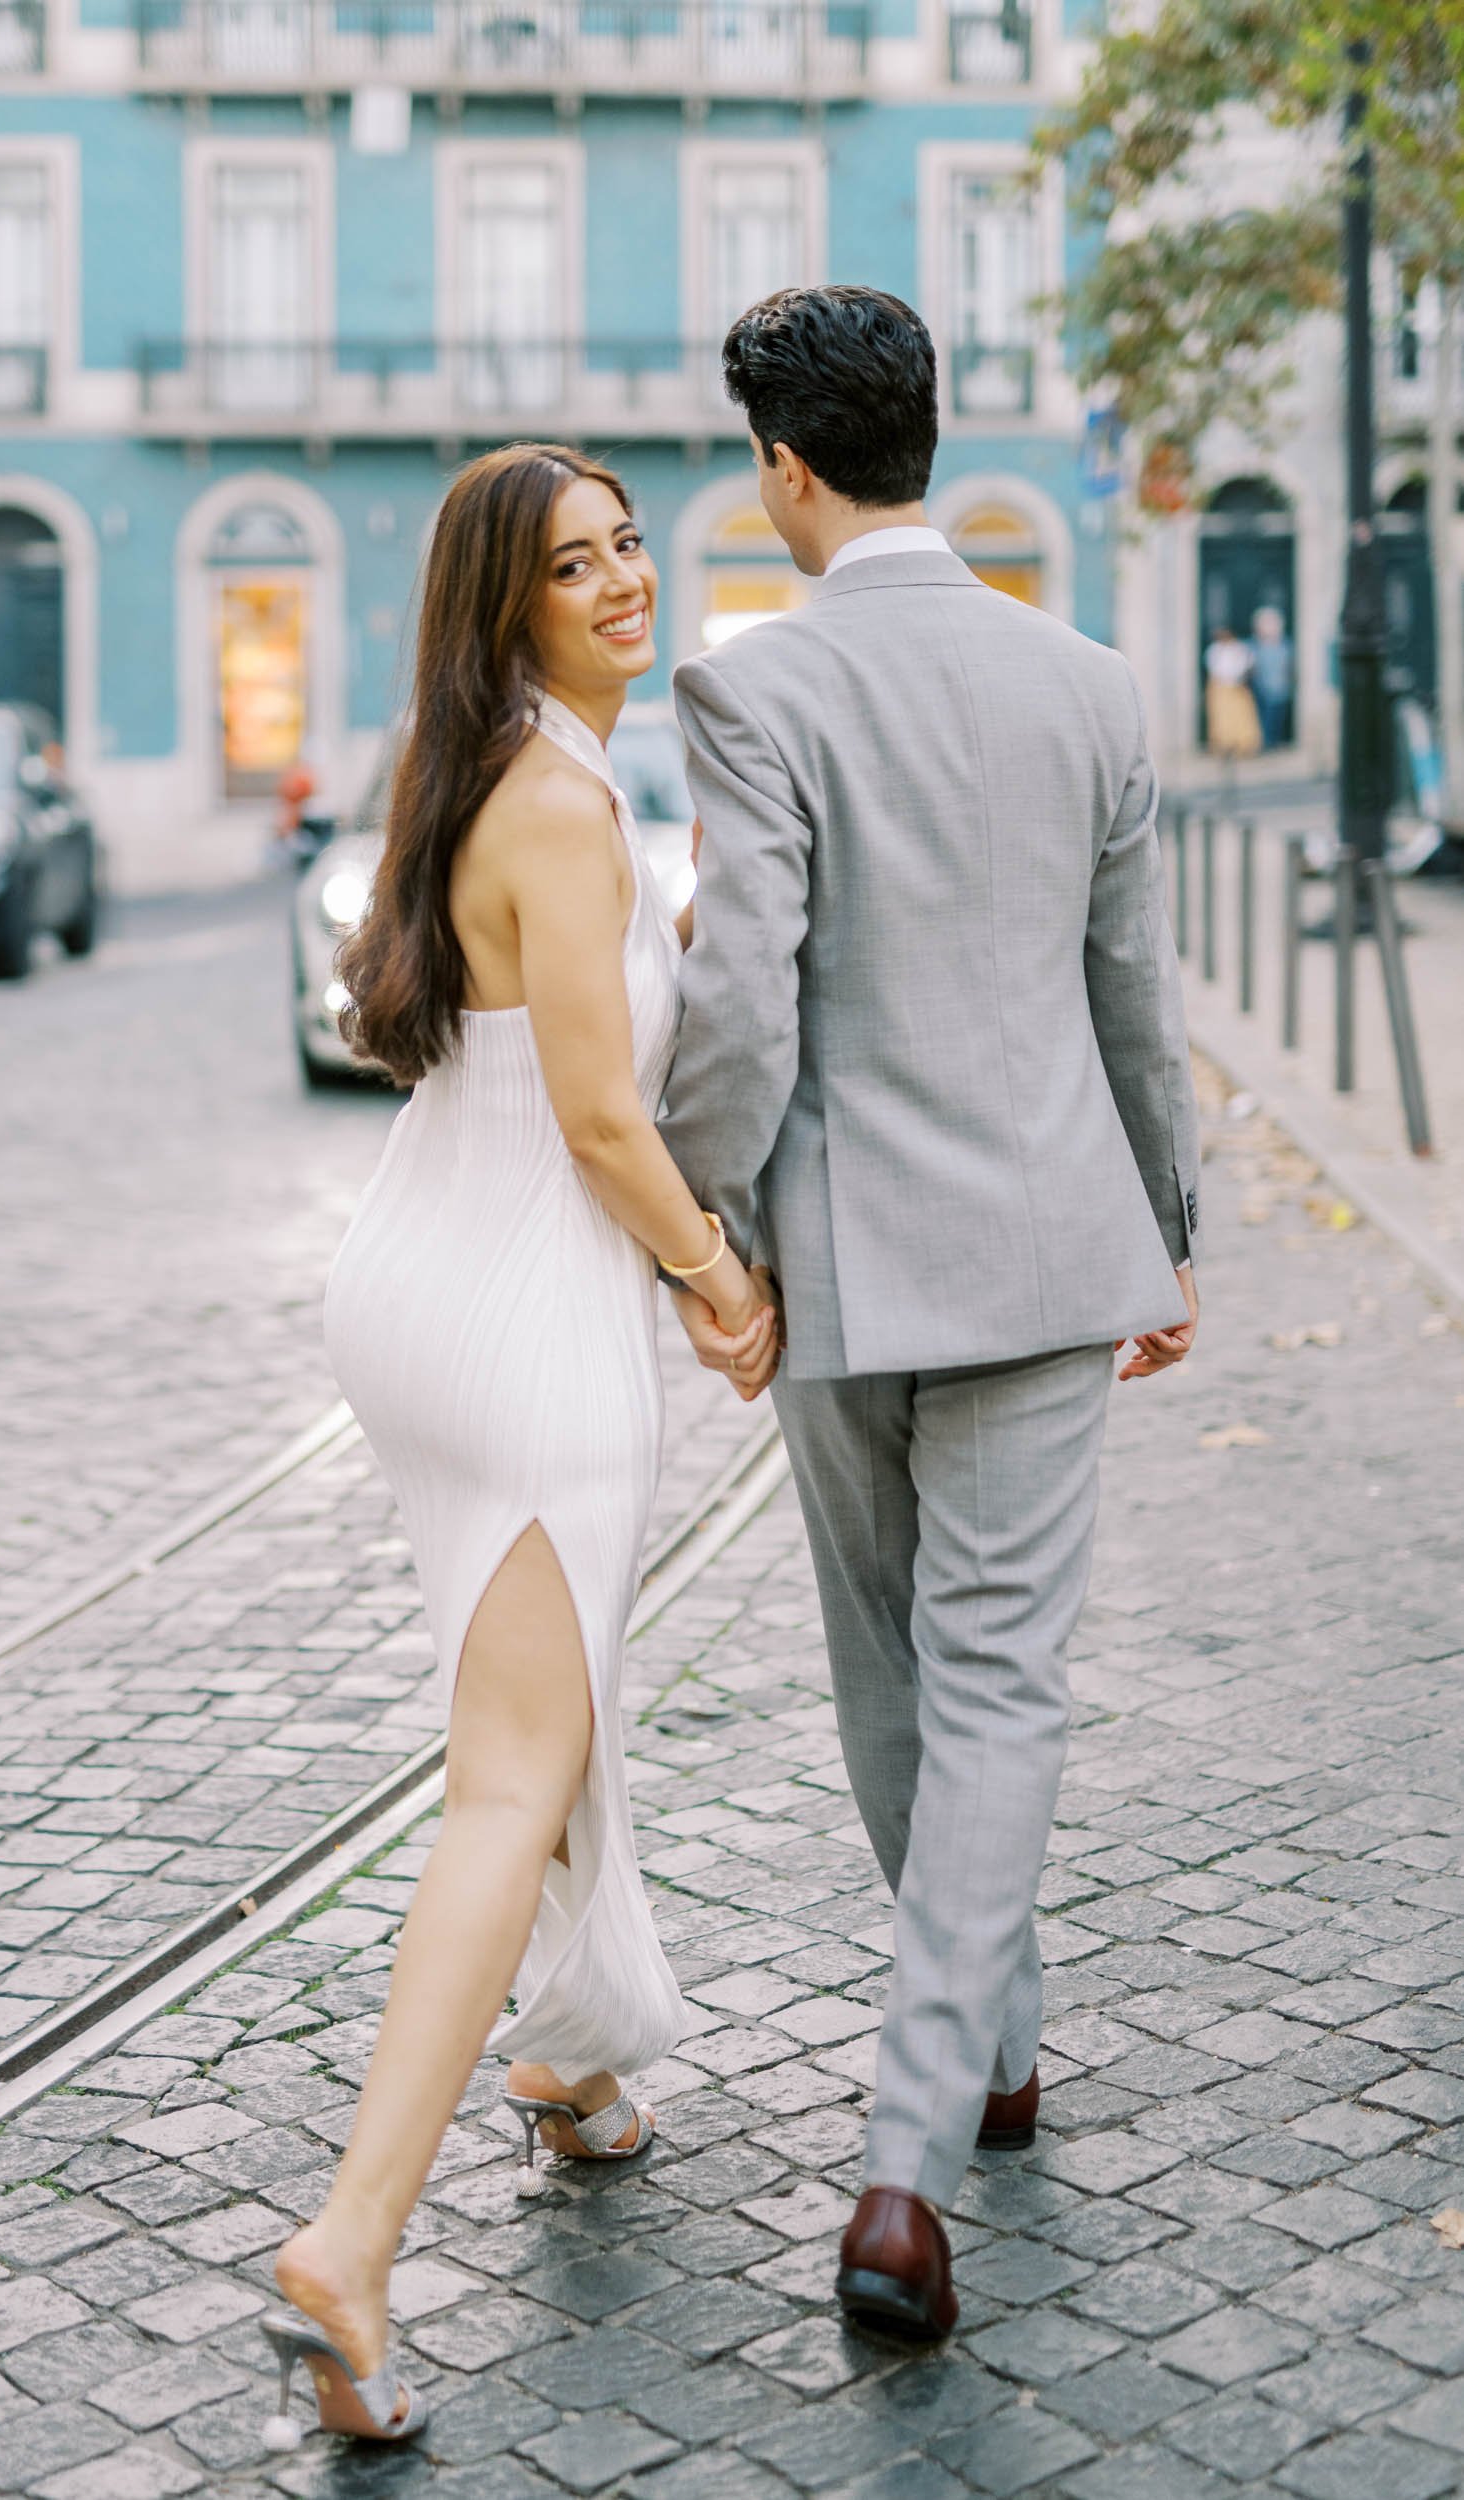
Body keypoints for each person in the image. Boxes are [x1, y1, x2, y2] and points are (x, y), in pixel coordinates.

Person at [659, 284, 1201, 2345]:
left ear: (783, 468)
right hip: (1051, 1258)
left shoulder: (754, 687)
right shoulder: (1082, 682)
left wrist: (713, 1226)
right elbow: (1128, 1001)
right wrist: (1161, 1228)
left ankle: (903, 2170)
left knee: (892, 1673)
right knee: (996, 1683)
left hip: (838, 1272)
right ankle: (981, 2043)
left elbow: (735, 1012)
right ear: (923, 442)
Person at [257, 443, 779, 2448]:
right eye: (576, 564)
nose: (626, 577)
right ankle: (350, 2240)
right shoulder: (558, 805)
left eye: (630, 540)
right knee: (511, 1767)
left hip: (428, 1269)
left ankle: (567, 2060)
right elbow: (590, 1111)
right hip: (528, 1297)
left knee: (539, 1696)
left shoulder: (494, 780)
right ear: (508, 606)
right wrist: (713, 1275)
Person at [1204, 623, 1261, 763]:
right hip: (1220, 689)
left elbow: (1248, 666)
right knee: (1221, 719)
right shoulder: (1214, 650)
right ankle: (1222, 745)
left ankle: (1243, 746)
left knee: (1241, 718)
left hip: (1238, 689)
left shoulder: (1240, 649)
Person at [1248, 605, 1294, 751]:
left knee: (1276, 716)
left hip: (1280, 688)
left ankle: (1272, 741)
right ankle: (1264, 742)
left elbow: (1289, 666)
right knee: (1261, 716)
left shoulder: (1286, 645)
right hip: (1260, 688)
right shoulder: (1253, 645)